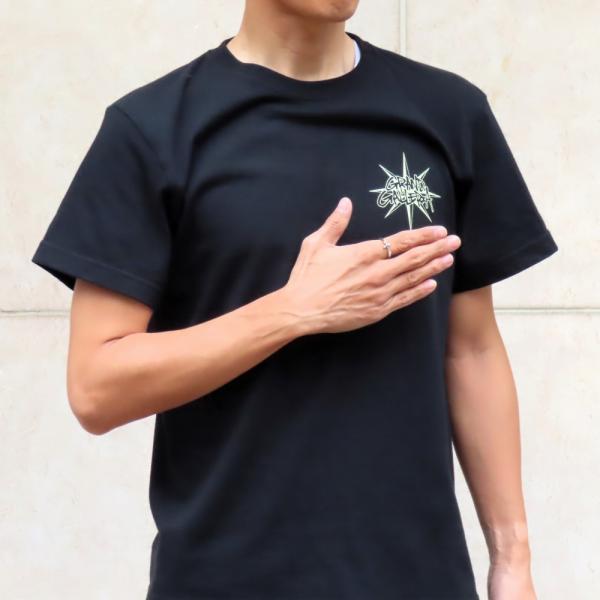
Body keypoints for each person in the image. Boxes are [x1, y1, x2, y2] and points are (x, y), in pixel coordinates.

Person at [31, 1, 558, 599]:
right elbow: (96, 388)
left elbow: (471, 350)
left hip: (418, 580)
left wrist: (512, 560)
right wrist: (292, 311)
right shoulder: (152, 130)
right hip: (225, 583)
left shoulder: (448, 113)